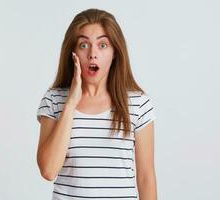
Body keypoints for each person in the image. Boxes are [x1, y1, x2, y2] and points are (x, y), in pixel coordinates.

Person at [36, 8, 157, 200]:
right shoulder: (54, 100)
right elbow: (49, 170)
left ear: (115, 52)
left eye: (103, 45)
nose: (93, 54)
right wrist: (71, 103)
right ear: (73, 52)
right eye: (84, 45)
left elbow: (146, 178)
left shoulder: (139, 104)